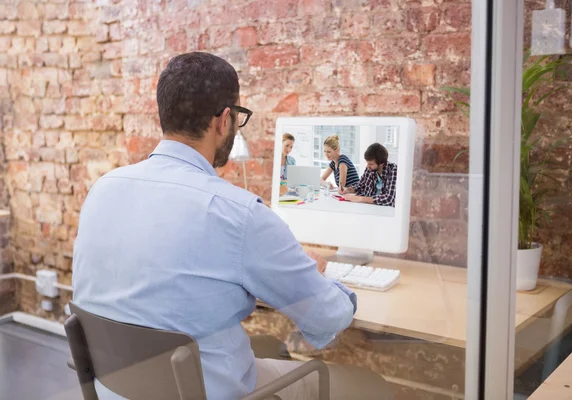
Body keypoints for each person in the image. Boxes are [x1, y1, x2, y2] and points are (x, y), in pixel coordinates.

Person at [72, 52, 380, 400]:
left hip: (119, 390)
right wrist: (318, 273)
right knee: (367, 386)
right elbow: (328, 317)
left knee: (268, 348)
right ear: (224, 121)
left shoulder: (102, 190)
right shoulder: (237, 212)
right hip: (204, 392)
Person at [341, 143, 398, 207]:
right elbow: (360, 186)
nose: (367, 166)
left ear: (381, 163)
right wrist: (347, 190)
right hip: (369, 207)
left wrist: (360, 199)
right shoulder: (370, 169)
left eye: (371, 164)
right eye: (367, 163)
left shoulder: (393, 170)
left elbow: (389, 199)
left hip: (386, 211)